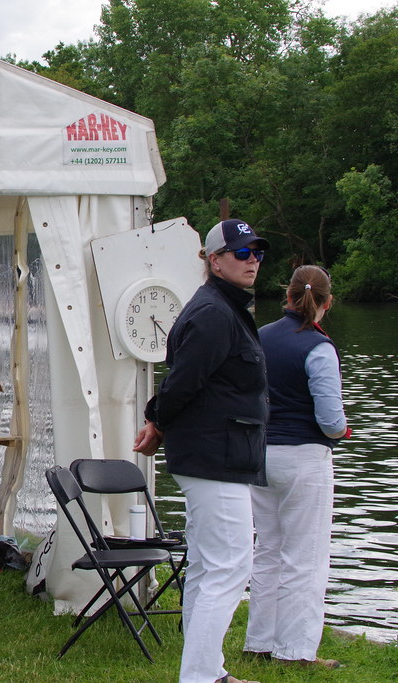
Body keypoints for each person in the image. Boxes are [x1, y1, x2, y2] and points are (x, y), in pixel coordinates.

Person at [133, 218, 270, 683]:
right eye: (242, 253)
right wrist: (157, 421)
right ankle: (199, 677)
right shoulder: (214, 312)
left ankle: (209, 671)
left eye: (256, 253)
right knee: (231, 566)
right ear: (214, 260)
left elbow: (189, 383)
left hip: (220, 455)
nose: (252, 260)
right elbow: (182, 382)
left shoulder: (223, 308)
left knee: (213, 566)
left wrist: (158, 420)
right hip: (216, 458)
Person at [244, 265, 348, 669]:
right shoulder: (319, 347)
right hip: (304, 457)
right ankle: (296, 651)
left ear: (287, 297)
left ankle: (259, 643)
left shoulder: (260, 336)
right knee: (305, 556)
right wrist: (342, 431)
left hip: (262, 454)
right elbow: (330, 421)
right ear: (326, 303)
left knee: (268, 549)